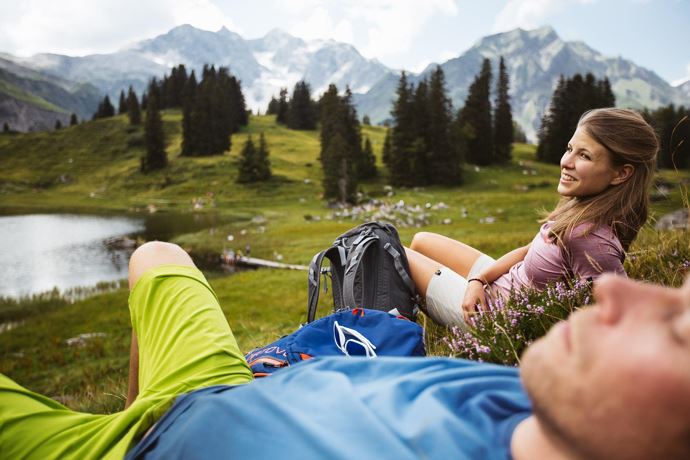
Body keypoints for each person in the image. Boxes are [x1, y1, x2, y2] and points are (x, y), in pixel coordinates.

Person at [2, 241, 690, 460]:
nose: (617, 295)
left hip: (151, 448)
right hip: (219, 386)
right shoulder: (524, 397)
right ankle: (131, 405)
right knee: (157, 254)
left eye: (680, 331)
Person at [405, 108, 658, 326]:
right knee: (421, 240)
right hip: (500, 285)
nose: (566, 162)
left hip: (491, 317)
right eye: (570, 149)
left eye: (584, 155)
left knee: (390, 250)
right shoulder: (580, 208)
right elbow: (526, 251)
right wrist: (477, 280)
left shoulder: (590, 239)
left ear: (620, 174)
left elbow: (617, 314)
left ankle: (395, 337)